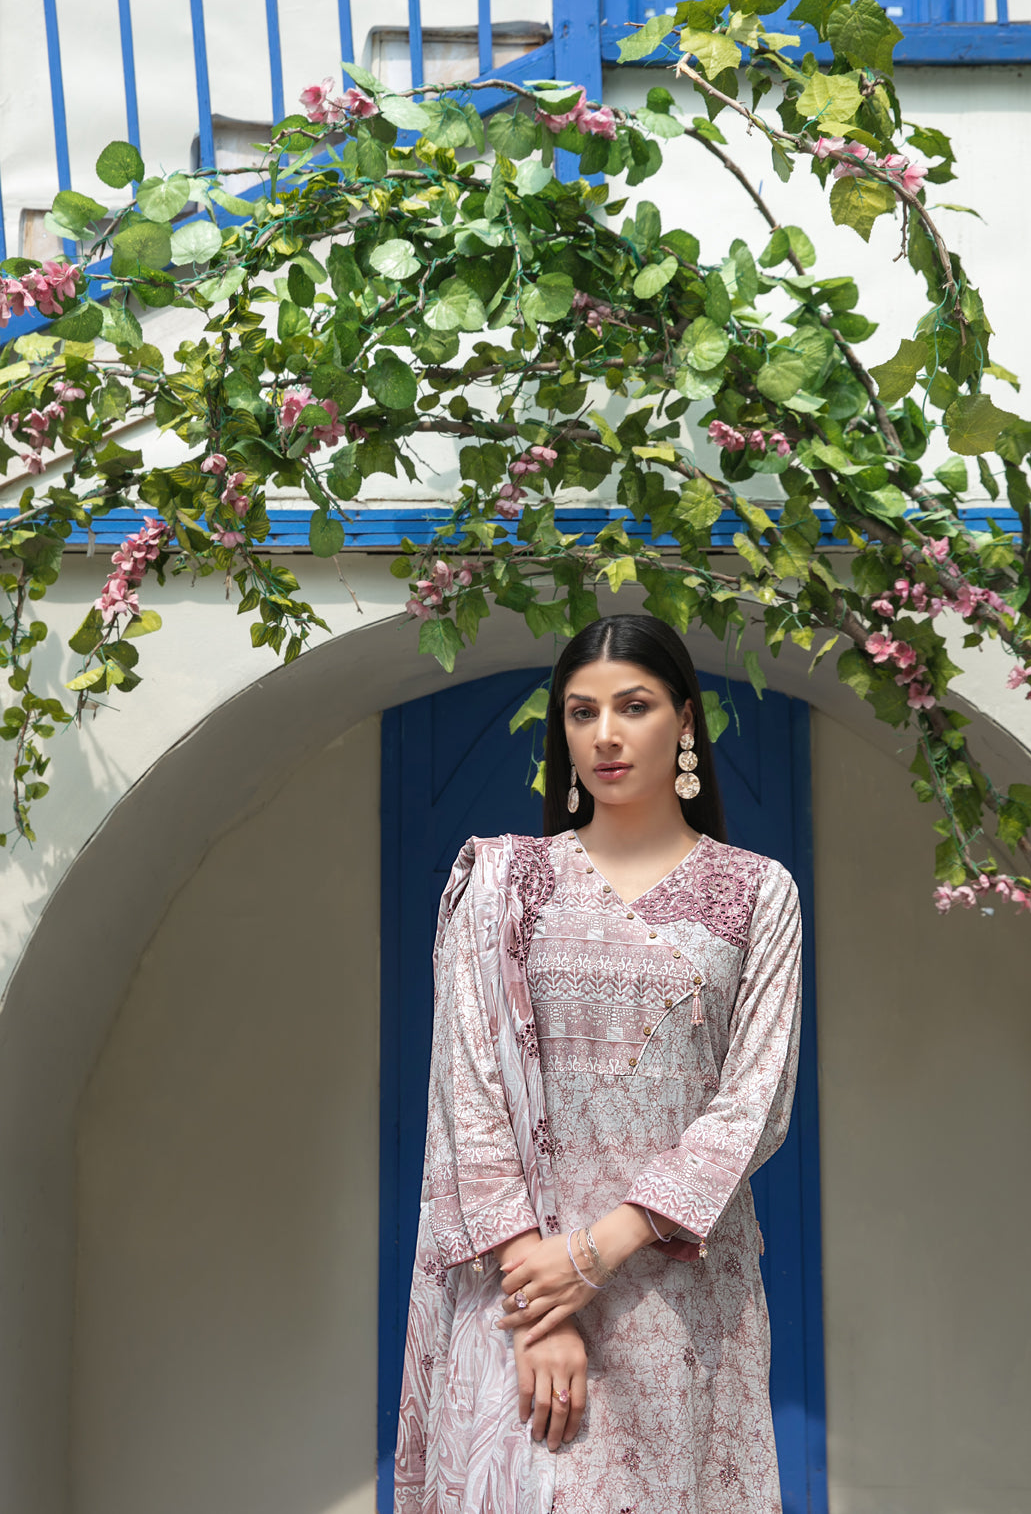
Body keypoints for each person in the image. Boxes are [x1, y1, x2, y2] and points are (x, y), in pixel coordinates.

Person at [394, 613, 803, 1514]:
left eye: (634, 706)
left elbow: (755, 1101)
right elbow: (470, 1094)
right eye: (581, 712)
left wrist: (595, 1252)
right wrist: (542, 1300)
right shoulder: (502, 881)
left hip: (680, 1297)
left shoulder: (756, 892)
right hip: (519, 1285)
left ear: (684, 720)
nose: (605, 734)